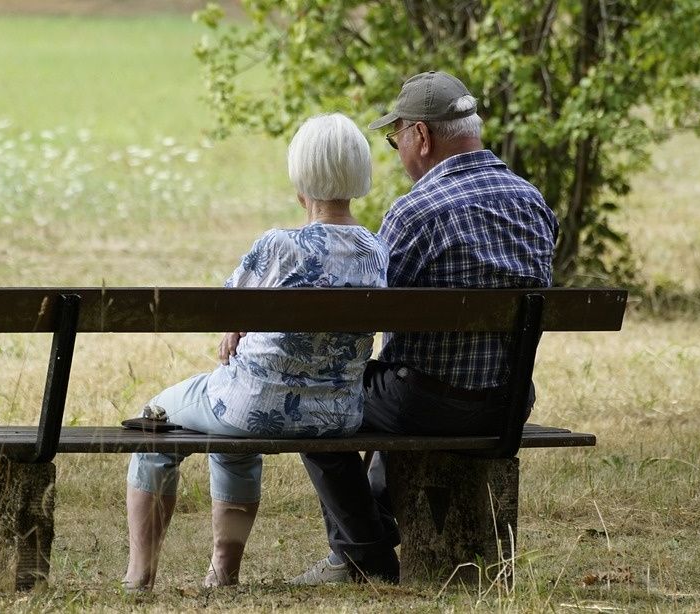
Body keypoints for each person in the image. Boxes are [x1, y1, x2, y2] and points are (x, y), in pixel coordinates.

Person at [291, 71, 559, 585]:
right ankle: (373, 528)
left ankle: (363, 554)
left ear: (421, 136)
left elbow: (368, 316)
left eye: (396, 141)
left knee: (314, 399)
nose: (398, 152)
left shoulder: (415, 212)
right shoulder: (533, 203)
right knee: (397, 383)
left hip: (427, 405)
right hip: (507, 404)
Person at [122, 113, 389, 591]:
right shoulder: (376, 250)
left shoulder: (279, 246)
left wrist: (235, 326)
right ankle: (223, 573)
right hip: (336, 414)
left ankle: (139, 575)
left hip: (253, 406)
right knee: (230, 433)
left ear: (300, 177)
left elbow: (225, 306)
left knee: (154, 420)